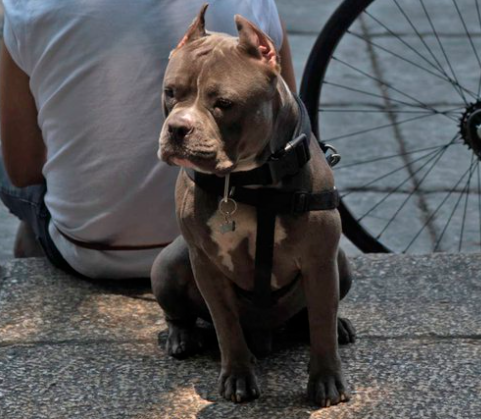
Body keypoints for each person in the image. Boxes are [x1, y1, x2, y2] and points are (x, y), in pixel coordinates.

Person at [0, 0, 296, 279]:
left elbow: (23, 170)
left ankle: (36, 250)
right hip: (231, 247)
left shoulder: (26, 6)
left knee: (18, 172)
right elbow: (291, 128)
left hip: (89, 253)